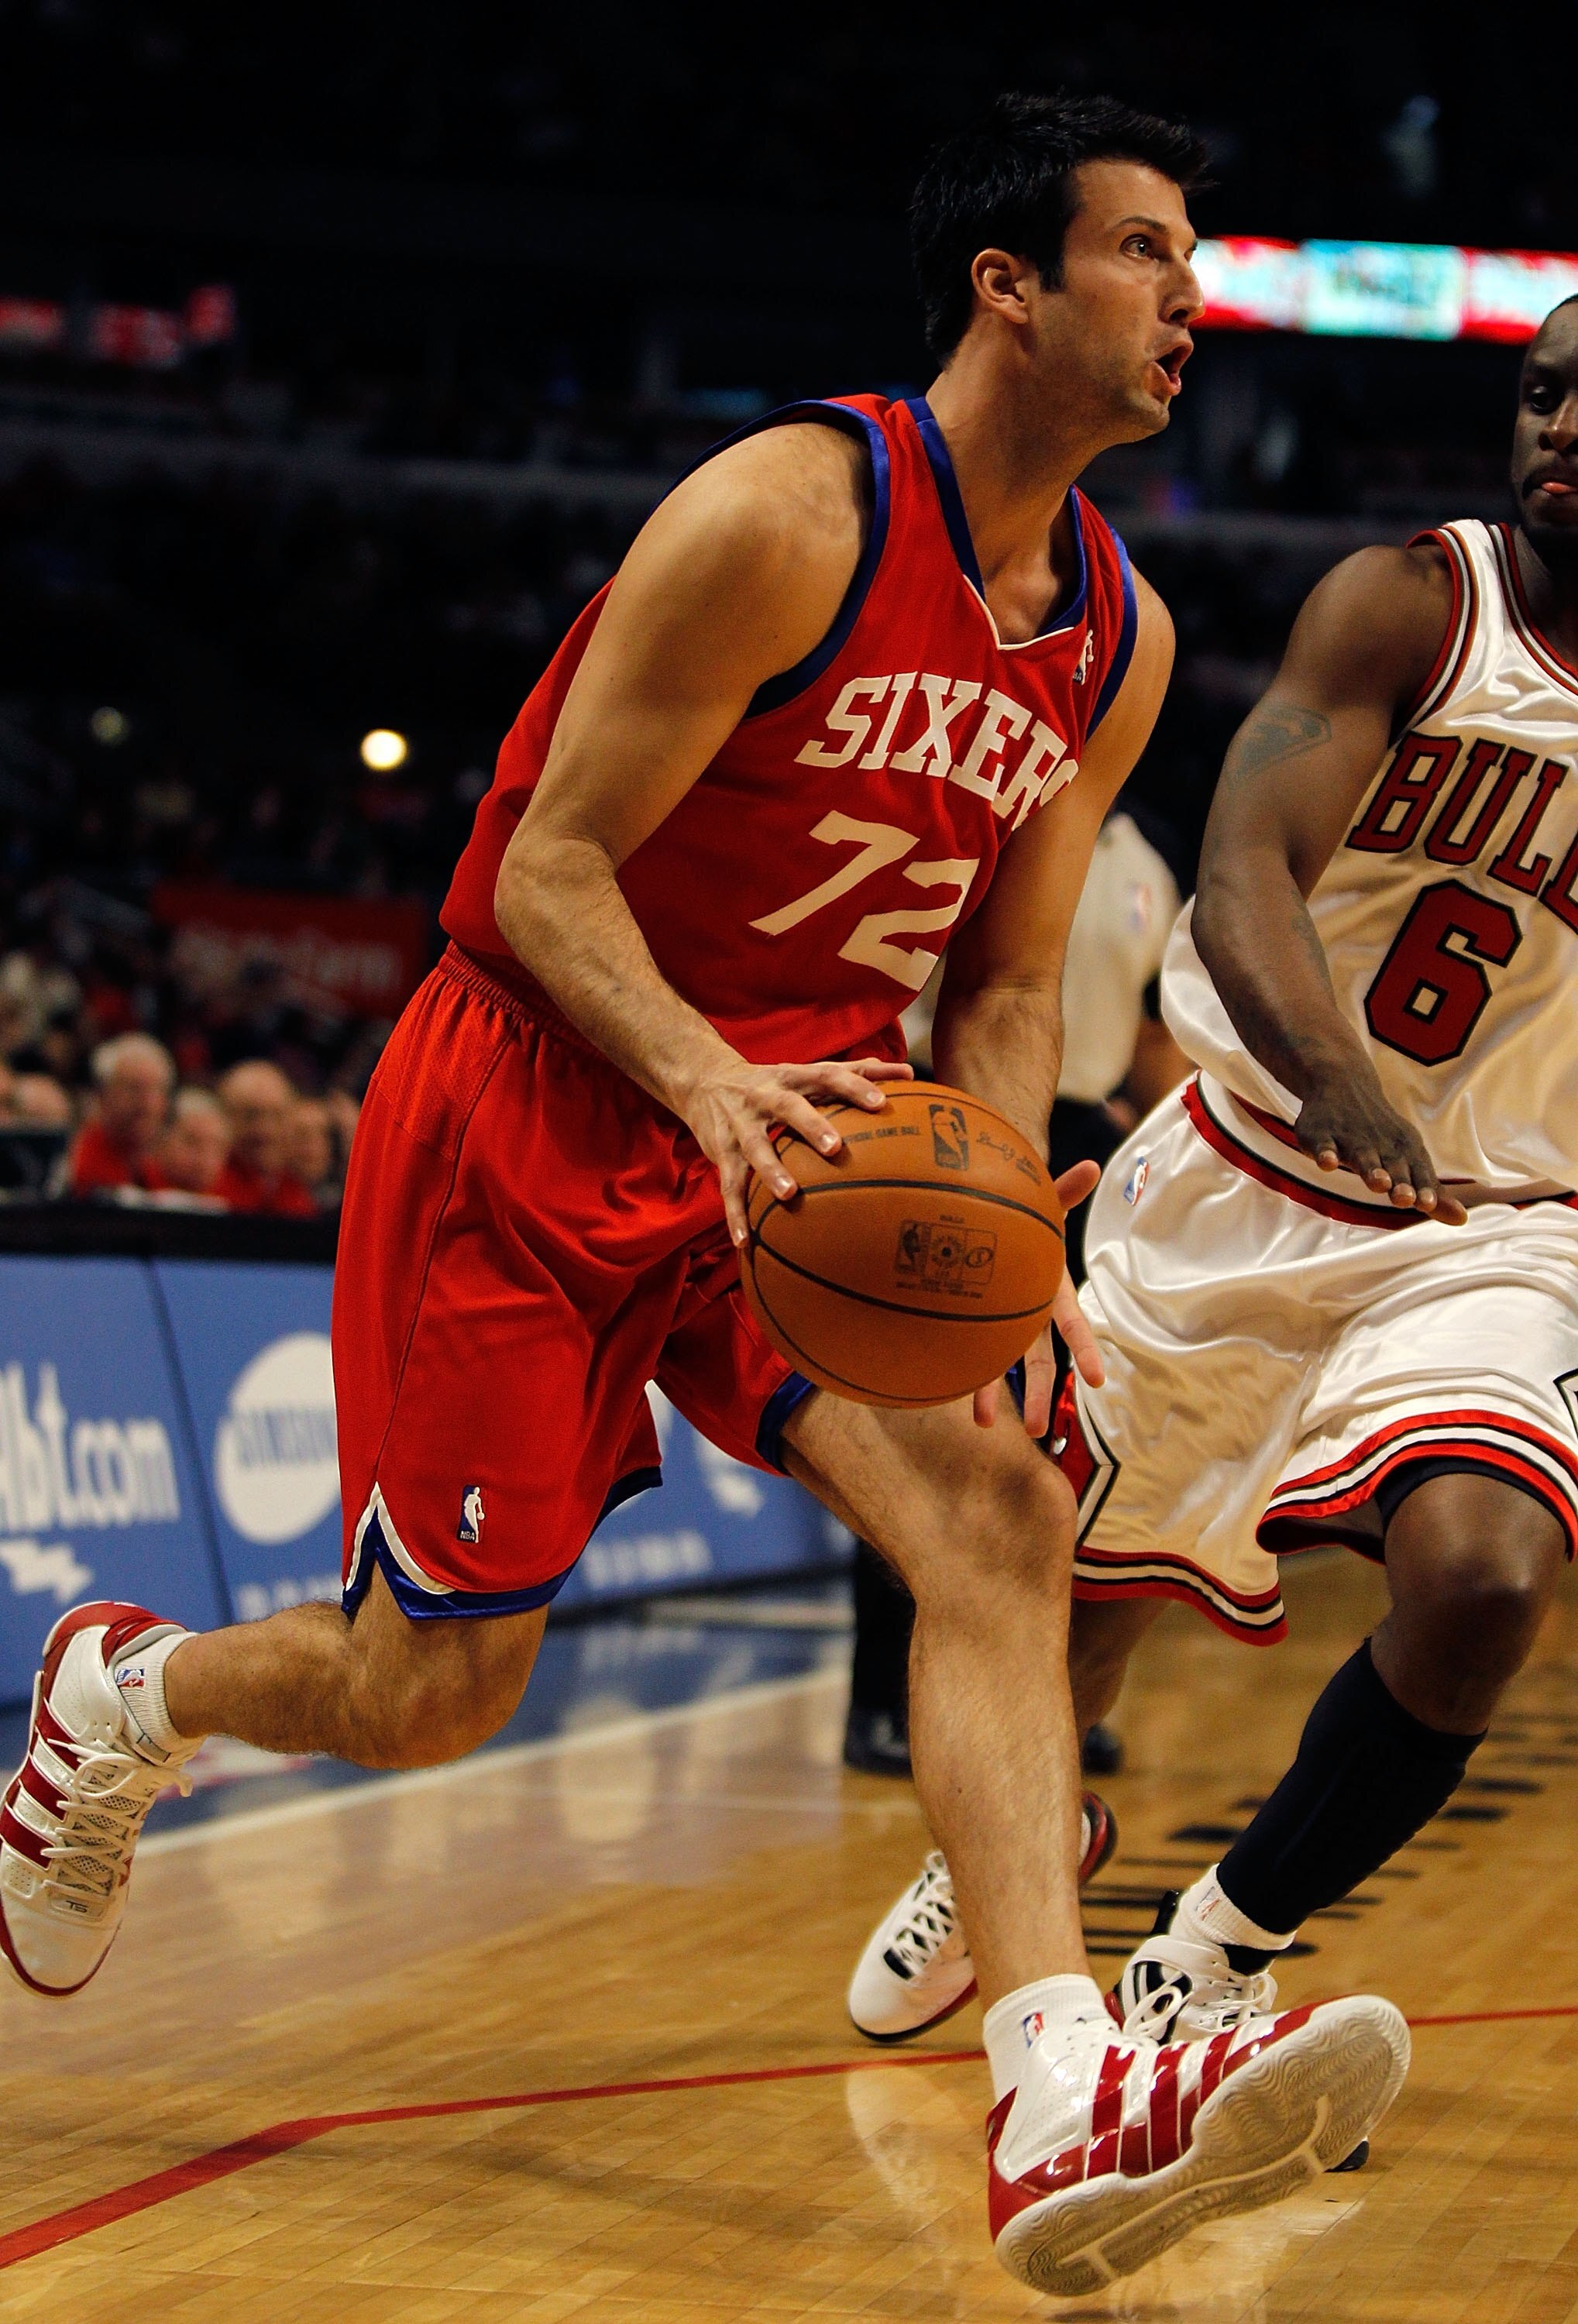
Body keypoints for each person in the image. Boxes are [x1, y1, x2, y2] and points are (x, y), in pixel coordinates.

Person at [0, 95, 1406, 2295]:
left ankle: (1054, 2085)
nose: (1187, 298)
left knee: (1001, 1513)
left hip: (815, 1142)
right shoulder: (783, 516)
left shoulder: (1113, 638)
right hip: (542, 1100)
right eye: (1143, 250)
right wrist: (697, 1078)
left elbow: (1004, 978)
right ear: (1005, 285)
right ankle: (132, 1695)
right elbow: (547, 869)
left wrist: (1009, 1223)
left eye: (1190, 259)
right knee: (431, 1693)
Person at [847, 297, 1578, 2095]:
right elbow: (1246, 863)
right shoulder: (1415, 605)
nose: (1559, 423)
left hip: (1496, 1221)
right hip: (1248, 1166)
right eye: (1542, 390)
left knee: (1483, 1581)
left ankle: (1213, 1950)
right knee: (1073, 1610)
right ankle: (1019, 1834)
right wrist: (1338, 1076)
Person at [842, 800, 1188, 1780]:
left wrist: (1173, 1155)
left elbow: (1153, 1034)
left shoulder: (1148, 862)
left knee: (1064, 1427)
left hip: (1076, 1140)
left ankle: (1039, 1694)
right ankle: (882, 1700)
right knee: (927, 1428)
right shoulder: (978, 816)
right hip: (942, 1117)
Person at [64, 1033, 175, 1195]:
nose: (147, 1104)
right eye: (134, 1089)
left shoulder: (169, 1166)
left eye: (157, 1090)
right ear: (103, 1095)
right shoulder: (75, 1163)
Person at [215, 1059, 318, 1215]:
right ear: (225, 1117)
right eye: (251, 1115)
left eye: (277, 1116)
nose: (266, 1130)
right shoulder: (210, 1190)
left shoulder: (298, 1195)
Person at [159, 1087, 233, 1201]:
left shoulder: (234, 1202)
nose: (204, 1159)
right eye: (192, 1143)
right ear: (164, 1139)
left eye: (216, 1148)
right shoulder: (137, 1184)